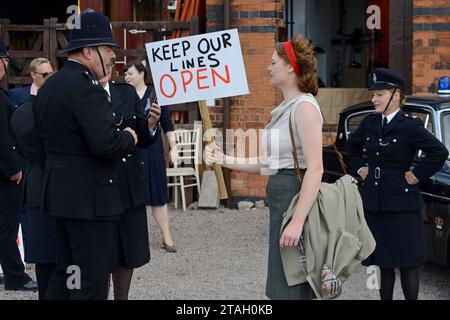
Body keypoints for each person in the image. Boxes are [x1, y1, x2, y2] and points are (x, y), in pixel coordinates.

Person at [204, 35, 323, 299]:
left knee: (293, 283)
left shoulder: (304, 107)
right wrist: (223, 159)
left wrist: (297, 221)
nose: (268, 68)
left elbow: (316, 169)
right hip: (283, 199)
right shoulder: (287, 107)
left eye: (273, 63)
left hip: (295, 200)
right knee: (282, 282)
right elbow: (269, 163)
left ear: (290, 67)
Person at [33, 11, 138, 300]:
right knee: (90, 280)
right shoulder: (87, 88)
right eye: (107, 49)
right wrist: (129, 137)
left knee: (66, 273)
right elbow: (105, 143)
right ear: (89, 51)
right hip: (90, 201)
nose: (111, 56)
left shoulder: (49, 86)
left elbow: (37, 140)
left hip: (58, 194)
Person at [346, 68, 449, 300]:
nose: (373, 99)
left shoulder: (410, 125)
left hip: (402, 205)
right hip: (376, 203)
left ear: (396, 95)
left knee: (407, 264)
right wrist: (360, 168)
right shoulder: (370, 122)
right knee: (384, 263)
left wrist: (416, 175)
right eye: (373, 94)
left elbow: (439, 152)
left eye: (379, 94)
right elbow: (351, 148)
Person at [97, 69, 161, 300]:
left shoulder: (125, 92)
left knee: (128, 249)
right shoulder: (84, 93)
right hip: (99, 182)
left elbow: (142, 137)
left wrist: (151, 123)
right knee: (101, 249)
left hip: (128, 182)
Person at [10, 71, 55, 299]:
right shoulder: (35, 112)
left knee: (42, 252)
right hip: (45, 180)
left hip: (33, 179)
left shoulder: (22, 111)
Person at [124, 60, 178, 253]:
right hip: (132, 151)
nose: (127, 77)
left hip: (153, 152)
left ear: (141, 74)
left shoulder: (156, 94)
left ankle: (167, 237)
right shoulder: (124, 95)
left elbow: (167, 123)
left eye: (130, 73)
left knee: (158, 195)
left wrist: (174, 146)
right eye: (125, 74)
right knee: (132, 196)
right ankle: (133, 240)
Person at [0, 38, 38, 292]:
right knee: (7, 225)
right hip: (4, 171)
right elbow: (2, 136)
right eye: (4, 60)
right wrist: (13, 166)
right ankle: (15, 275)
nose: (5, 65)